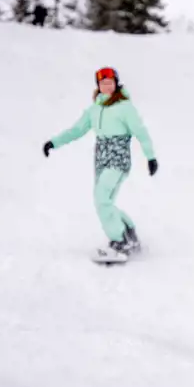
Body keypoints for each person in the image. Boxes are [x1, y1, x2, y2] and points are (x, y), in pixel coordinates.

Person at [43, 67, 157, 262]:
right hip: (101, 159)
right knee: (105, 202)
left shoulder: (125, 107)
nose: (107, 86)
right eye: (103, 83)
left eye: (110, 83)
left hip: (118, 158)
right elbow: (76, 130)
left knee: (101, 199)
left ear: (116, 84)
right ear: (98, 86)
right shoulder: (94, 110)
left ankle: (120, 241)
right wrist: (54, 142)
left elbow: (140, 131)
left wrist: (150, 157)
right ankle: (129, 232)